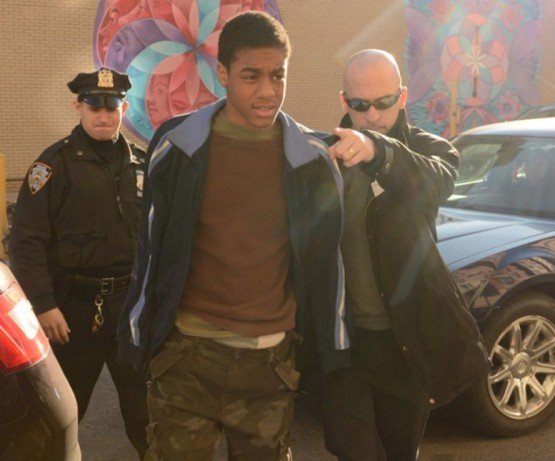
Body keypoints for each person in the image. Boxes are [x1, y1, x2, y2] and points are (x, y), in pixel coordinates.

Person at [116, 11, 357, 460]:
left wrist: (334, 349)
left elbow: (330, 263)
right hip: (187, 357)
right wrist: (135, 333)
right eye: (251, 76)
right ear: (223, 74)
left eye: (277, 75)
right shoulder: (176, 146)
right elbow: (150, 251)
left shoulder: (312, 159)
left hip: (270, 366)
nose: (267, 91)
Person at [322, 49, 490, 461]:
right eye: (360, 104)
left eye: (383, 102)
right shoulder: (325, 157)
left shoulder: (429, 150)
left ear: (402, 96)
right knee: (351, 450)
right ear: (344, 101)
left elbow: (434, 182)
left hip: (402, 342)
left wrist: (379, 151)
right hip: (343, 343)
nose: (373, 116)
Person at [9, 67, 149, 458]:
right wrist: (44, 304)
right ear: (78, 107)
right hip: (72, 310)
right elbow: (26, 241)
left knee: (146, 410)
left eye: (112, 107)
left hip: (129, 309)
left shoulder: (141, 164)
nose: (103, 116)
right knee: (61, 412)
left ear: (124, 109)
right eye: (94, 107)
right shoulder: (53, 166)